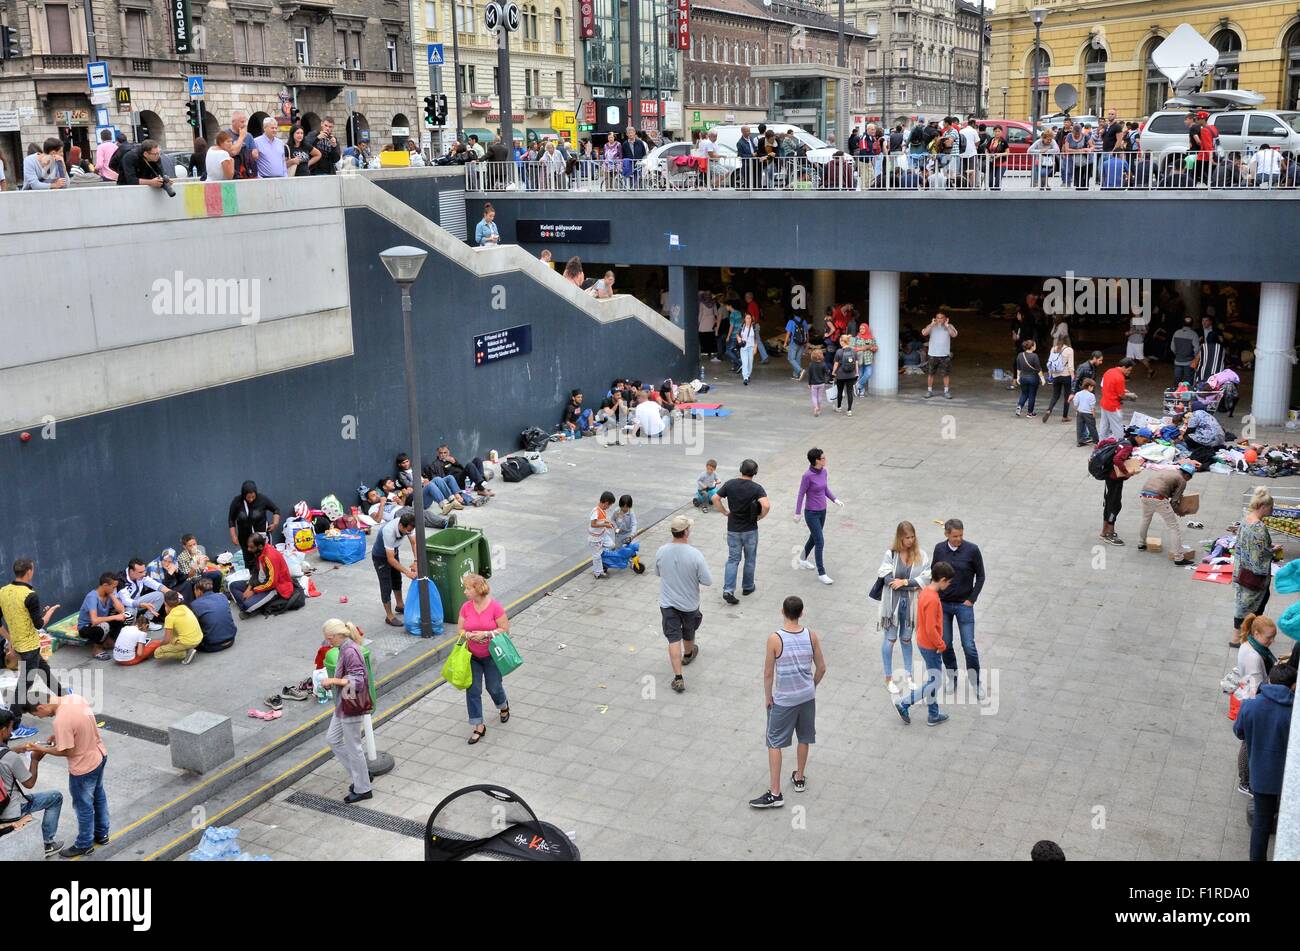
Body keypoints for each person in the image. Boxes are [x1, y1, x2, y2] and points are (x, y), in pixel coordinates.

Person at [749, 596, 827, 809]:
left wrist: (768, 697)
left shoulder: (775, 639)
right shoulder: (811, 636)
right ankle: (799, 777)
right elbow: (821, 668)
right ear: (802, 613)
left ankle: (775, 793)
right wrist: (812, 686)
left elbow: (767, 673)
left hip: (784, 699)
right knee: (804, 736)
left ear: (782, 611)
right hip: (806, 697)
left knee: (774, 741)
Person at [21, 689, 108, 857]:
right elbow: (81, 725)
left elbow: (67, 751)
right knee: (99, 796)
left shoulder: (61, 720)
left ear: (41, 706)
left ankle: (84, 844)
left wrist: (41, 749)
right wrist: (60, 735)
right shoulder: (75, 698)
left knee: (83, 807)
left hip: (83, 768)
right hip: (99, 754)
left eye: (37, 715)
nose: (41, 718)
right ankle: (102, 834)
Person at [1233, 664, 1295, 861]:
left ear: (1270, 681)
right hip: (1290, 778)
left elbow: (1239, 731)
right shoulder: (1294, 712)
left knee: (1261, 822)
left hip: (1262, 775)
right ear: (1292, 686)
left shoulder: (1251, 705)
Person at [0, 559, 62, 733]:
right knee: (23, 687)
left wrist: (10, 638)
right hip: (29, 647)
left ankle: (63, 695)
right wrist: (49, 613)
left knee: (43, 669)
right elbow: (39, 625)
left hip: (19, 645)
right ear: (29, 571)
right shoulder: (30, 594)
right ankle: (12, 726)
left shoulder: (3, 591)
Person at [317, 619, 374, 803]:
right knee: (332, 739)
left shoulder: (350, 651)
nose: (328, 642)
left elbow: (358, 681)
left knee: (353, 747)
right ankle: (362, 775)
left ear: (337, 635)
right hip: (344, 703)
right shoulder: (345, 648)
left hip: (351, 704)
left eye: (329, 638)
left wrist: (332, 682)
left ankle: (363, 787)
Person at [655, 515, 712, 694]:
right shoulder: (695, 554)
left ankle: (678, 677)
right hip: (689, 604)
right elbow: (707, 580)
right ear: (686, 532)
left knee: (673, 638)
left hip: (667, 602)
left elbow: (658, 572)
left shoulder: (661, 551)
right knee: (689, 631)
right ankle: (688, 654)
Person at [893, 561, 954, 726]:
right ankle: (904, 702)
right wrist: (941, 645)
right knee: (935, 681)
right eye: (948, 582)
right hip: (931, 646)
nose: (948, 585)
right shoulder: (933, 599)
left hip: (922, 641)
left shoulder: (926, 591)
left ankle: (933, 715)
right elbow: (931, 628)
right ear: (942, 579)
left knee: (934, 678)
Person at [0, 708, 64, 856]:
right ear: (3, 730)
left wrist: (16, 749)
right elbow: (29, 783)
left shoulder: (9, 754)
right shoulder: (11, 758)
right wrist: (35, 760)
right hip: (11, 810)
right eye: (10, 729)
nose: (11, 733)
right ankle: (48, 844)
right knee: (55, 797)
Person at [932, 520, 985, 697]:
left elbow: (981, 576)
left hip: (964, 605)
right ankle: (952, 678)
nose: (959, 539)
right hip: (944, 605)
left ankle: (976, 682)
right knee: (945, 644)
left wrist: (972, 599)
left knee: (969, 645)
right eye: (955, 536)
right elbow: (934, 574)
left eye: (961, 535)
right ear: (946, 534)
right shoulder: (939, 549)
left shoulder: (972, 550)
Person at [876, 521, 931, 695]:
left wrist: (904, 583)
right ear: (900, 537)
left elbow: (926, 579)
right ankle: (888, 677)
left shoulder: (921, 555)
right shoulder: (891, 554)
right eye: (907, 537)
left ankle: (908, 675)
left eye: (912, 536)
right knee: (890, 639)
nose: (910, 540)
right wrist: (912, 585)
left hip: (910, 605)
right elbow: (886, 578)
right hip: (892, 604)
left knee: (906, 639)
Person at [458, 574, 510, 744]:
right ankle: (478, 725)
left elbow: (505, 629)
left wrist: (486, 634)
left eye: (468, 588)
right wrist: (468, 635)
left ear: (478, 590)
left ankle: (503, 705)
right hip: (472, 656)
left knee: (494, 687)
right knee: (473, 690)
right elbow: (460, 630)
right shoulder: (465, 607)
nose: (465, 591)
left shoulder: (495, 607)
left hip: (492, 655)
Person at [713, 460, 770, 605]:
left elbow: (715, 498)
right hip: (750, 529)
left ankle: (728, 590)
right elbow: (766, 505)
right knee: (750, 559)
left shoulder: (730, 484)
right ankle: (748, 587)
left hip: (733, 529)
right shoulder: (757, 488)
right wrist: (760, 516)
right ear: (755, 472)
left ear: (740, 470)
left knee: (733, 559)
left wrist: (724, 511)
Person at [1232, 488, 1275, 647]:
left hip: (1241, 570)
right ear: (1263, 506)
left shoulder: (1246, 519)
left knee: (1241, 603)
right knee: (1257, 603)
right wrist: (1272, 552)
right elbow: (1261, 554)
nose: (1272, 510)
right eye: (1271, 507)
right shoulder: (1259, 528)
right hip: (1253, 575)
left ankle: (1236, 636)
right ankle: (1247, 635)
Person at [794, 448, 843, 585]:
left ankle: (802, 559)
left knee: (814, 537)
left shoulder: (824, 472)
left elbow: (825, 488)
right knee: (820, 541)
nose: (825, 459)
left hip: (823, 511)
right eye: (823, 458)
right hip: (811, 513)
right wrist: (797, 513)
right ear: (817, 460)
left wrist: (835, 499)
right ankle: (822, 573)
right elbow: (801, 494)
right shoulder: (807, 476)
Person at [1137, 463, 1196, 565]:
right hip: (1158, 498)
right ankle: (1179, 557)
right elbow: (1174, 501)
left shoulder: (1168, 470)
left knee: (1146, 519)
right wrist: (1180, 512)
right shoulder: (1182, 480)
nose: (1188, 481)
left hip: (1144, 495)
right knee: (1174, 527)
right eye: (1189, 478)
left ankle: (1141, 543)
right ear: (1187, 475)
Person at [228, 534, 298, 616]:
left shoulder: (270, 557)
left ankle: (250, 606)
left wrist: (253, 591)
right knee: (233, 585)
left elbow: (272, 583)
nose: (248, 549)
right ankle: (253, 605)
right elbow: (255, 571)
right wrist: (249, 587)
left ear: (260, 546)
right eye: (248, 546)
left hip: (276, 588)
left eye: (251, 547)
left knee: (247, 605)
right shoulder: (259, 552)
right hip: (261, 582)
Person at [372, 512, 417, 628]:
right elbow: (390, 560)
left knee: (397, 579)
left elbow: (414, 542)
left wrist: (416, 561)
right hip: (381, 557)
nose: (408, 533)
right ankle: (389, 616)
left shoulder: (409, 526)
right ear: (401, 526)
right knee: (386, 584)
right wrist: (407, 572)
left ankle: (400, 605)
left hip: (394, 551)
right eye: (407, 531)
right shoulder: (389, 531)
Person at [76, 573, 126, 655]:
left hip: (102, 624)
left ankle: (109, 641)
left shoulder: (108, 595)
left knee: (124, 616)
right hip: (87, 628)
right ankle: (97, 649)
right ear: (105, 585)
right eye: (113, 587)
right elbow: (94, 620)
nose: (114, 589)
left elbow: (122, 610)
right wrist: (115, 617)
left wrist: (112, 595)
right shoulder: (92, 597)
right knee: (106, 624)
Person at [228, 480, 281, 551]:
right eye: (248, 497)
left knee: (264, 558)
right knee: (249, 560)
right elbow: (231, 519)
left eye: (253, 496)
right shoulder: (237, 502)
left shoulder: (262, 499)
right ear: (244, 495)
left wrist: (275, 524)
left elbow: (276, 510)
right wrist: (234, 536)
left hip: (261, 538)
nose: (251, 499)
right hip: (245, 539)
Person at [118, 558, 169, 629]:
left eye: (144, 571)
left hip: (138, 601)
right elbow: (125, 600)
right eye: (140, 572)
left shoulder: (142, 575)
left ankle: (145, 622)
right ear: (131, 571)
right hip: (124, 606)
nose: (144, 574)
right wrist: (140, 604)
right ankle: (131, 631)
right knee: (131, 611)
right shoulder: (121, 579)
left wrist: (170, 591)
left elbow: (154, 584)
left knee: (160, 595)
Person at [190, 577, 237, 653]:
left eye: (194, 590)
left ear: (199, 591)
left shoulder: (195, 604)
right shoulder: (222, 596)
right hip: (231, 639)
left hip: (212, 645)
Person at [153, 591, 200, 664]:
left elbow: (166, 640)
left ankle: (185, 653)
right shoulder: (184, 607)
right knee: (174, 631)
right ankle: (185, 648)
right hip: (198, 638)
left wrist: (159, 645)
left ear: (165, 603)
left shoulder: (170, 618)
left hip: (188, 642)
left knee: (158, 653)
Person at [1097, 358, 1136, 442]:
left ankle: (1101, 444)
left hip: (1104, 403)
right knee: (1117, 428)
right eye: (1128, 370)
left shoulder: (1109, 371)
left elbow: (1104, 385)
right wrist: (1129, 396)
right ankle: (1120, 445)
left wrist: (1123, 391)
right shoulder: (1120, 378)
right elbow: (1121, 395)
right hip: (1113, 406)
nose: (1129, 372)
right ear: (1123, 367)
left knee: (1104, 426)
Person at [922, 312, 957, 399]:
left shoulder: (949, 326)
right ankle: (929, 391)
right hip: (932, 354)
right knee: (930, 373)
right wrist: (931, 324)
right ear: (935, 318)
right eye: (938, 317)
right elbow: (924, 333)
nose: (939, 319)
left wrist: (947, 325)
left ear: (945, 318)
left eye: (941, 318)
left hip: (944, 355)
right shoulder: (932, 326)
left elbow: (954, 334)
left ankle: (946, 391)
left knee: (945, 374)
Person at [1041, 336, 1075, 424]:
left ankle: (1049, 409)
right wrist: (1073, 377)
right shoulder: (1069, 350)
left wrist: (1050, 375)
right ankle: (1065, 416)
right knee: (1067, 396)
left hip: (1056, 376)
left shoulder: (1053, 349)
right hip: (1066, 375)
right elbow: (1070, 366)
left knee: (1055, 395)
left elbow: (1050, 363)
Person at [588, 492, 617, 579]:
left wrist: (607, 522)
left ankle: (602, 556)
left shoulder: (602, 510)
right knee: (596, 556)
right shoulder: (596, 511)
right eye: (609, 505)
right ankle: (598, 573)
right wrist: (605, 525)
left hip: (602, 535)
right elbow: (593, 524)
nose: (609, 507)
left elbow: (601, 520)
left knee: (611, 545)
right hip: (595, 538)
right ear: (606, 503)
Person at [1014, 340, 1043, 418]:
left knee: (1024, 393)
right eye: (1035, 345)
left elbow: (1018, 368)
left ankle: (1019, 406)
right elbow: (1038, 369)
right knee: (1032, 395)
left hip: (1023, 377)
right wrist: (1042, 378)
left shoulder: (1020, 355)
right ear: (1032, 347)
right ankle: (1030, 413)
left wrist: (1018, 377)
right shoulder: (1034, 356)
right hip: (1033, 378)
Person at [1169, 316, 1201, 387]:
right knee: (1188, 382)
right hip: (1189, 362)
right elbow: (1196, 350)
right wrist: (1194, 359)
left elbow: (1172, 348)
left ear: (1182, 323)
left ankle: (1176, 395)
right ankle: (1187, 396)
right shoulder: (1194, 334)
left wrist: (1178, 355)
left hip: (1178, 361)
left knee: (1177, 381)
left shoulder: (1176, 333)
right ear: (1192, 324)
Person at [1071, 376, 1100, 446]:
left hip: (1080, 412)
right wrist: (1093, 414)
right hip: (1088, 413)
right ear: (1089, 386)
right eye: (1092, 387)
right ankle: (1096, 441)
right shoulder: (1091, 395)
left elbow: (1075, 403)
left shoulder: (1078, 394)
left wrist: (1077, 410)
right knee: (1092, 427)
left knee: (1080, 427)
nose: (1093, 389)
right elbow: (1092, 406)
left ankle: (1080, 441)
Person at [785, 311, 809, 379]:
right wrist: (807, 342)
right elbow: (807, 333)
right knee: (798, 358)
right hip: (802, 343)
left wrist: (785, 342)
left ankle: (800, 370)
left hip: (794, 342)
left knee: (791, 358)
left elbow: (788, 333)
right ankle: (796, 375)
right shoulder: (804, 321)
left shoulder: (791, 321)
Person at [736, 311, 758, 385]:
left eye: (749, 318)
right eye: (747, 318)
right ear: (744, 319)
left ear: (751, 319)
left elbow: (755, 338)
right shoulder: (742, 326)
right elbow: (737, 334)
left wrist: (755, 348)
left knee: (750, 363)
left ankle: (748, 375)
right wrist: (739, 340)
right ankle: (745, 378)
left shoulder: (754, 327)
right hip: (744, 348)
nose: (748, 320)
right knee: (745, 363)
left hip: (751, 347)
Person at [806, 346, 829, 416]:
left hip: (813, 384)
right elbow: (827, 372)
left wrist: (809, 383)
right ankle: (819, 408)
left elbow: (809, 375)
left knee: (814, 396)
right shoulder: (823, 364)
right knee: (820, 396)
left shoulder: (811, 365)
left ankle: (816, 407)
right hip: (821, 383)